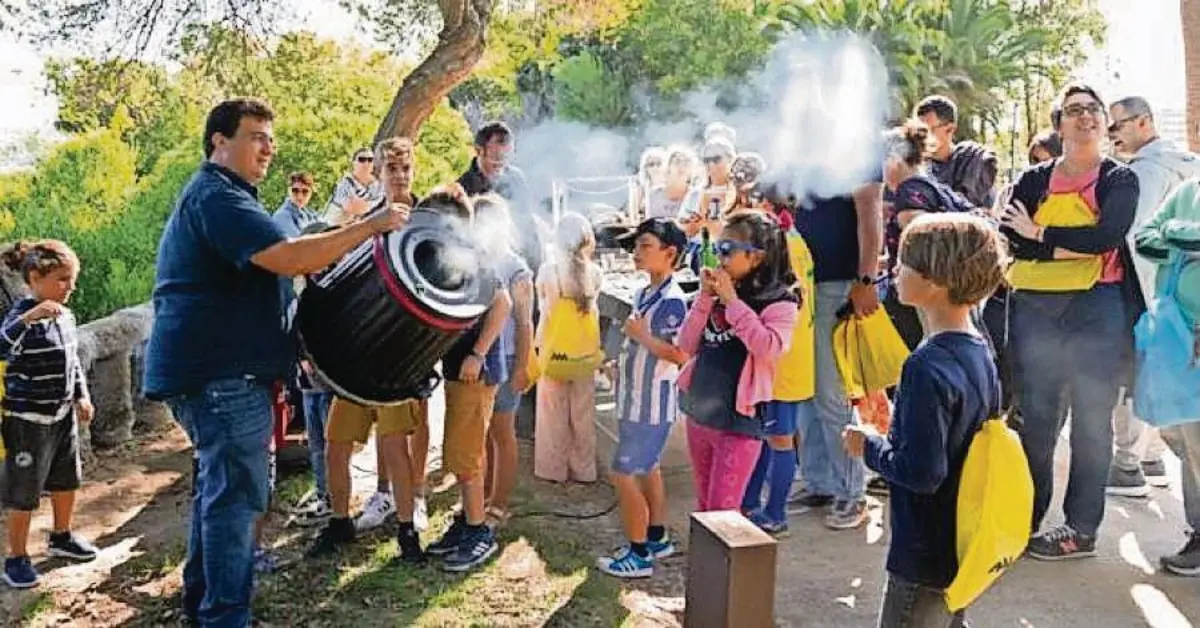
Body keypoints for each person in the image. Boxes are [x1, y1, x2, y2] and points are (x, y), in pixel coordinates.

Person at [143, 99, 407, 626]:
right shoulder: (218, 197)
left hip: (217, 374)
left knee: (220, 494)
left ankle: (206, 604)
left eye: (271, 138)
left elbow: (289, 252)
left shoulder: (229, 198)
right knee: (237, 499)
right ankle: (224, 616)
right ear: (220, 142)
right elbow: (291, 259)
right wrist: (371, 224)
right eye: (256, 136)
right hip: (221, 377)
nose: (269, 146)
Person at [999, 84, 1144, 560]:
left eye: (1093, 110)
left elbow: (1106, 237)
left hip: (1097, 310)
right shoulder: (1033, 179)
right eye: (1075, 110)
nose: (1086, 117)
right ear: (1059, 123)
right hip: (1036, 310)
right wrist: (1063, 244)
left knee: (1091, 423)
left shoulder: (1120, 180)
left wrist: (1040, 234)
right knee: (1035, 420)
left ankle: (1080, 529)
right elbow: (1009, 238)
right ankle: (1025, 517)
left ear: (1105, 122)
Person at [843, 213, 1006, 628]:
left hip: (922, 550)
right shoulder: (978, 348)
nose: (893, 270)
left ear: (935, 280)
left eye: (903, 262)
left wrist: (869, 445)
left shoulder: (924, 365)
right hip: (962, 536)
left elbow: (920, 472)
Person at [306, 138, 430, 563]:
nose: (398, 176)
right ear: (377, 173)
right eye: (390, 169)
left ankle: (407, 529)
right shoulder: (365, 222)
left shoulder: (424, 221)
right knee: (336, 443)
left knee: (396, 447)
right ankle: (340, 523)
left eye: (404, 169)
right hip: (357, 358)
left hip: (396, 361)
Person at [1106, 95, 1200, 497]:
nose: (1113, 136)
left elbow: (1141, 233)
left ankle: (1129, 461)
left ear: (1144, 122)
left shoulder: (1144, 173)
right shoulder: (1188, 176)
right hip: (1172, 312)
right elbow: (1149, 236)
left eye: (1117, 126)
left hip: (1166, 310)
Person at [677, 212, 799, 512]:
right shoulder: (717, 291)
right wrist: (704, 300)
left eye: (727, 250)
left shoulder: (780, 302)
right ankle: (703, 561)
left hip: (738, 423)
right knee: (704, 506)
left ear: (757, 258)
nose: (720, 257)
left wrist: (732, 303)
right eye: (718, 248)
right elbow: (685, 345)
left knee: (723, 512)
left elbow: (768, 348)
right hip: (700, 411)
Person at [790, 162, 884, 530]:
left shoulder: (856, 145)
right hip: (805, 284)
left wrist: (866, 278)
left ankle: (852, 492)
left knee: (832, 394)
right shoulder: (805, 145)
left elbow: (870, 214)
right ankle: (820, 483)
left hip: (838, 284)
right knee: (807, 390)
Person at [424, 187, 514, 573]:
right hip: (461, 373)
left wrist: (478, 353)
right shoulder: (452, 253)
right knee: (462, 452)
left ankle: (479, 533)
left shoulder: (472, 254)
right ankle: (467, 521)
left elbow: (503, 302)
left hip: (476, 373)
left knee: (467, 455)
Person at [595, 218, 689, 578]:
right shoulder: (644, 291)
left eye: (645, 246)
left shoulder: (672, 301)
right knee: (648, 468)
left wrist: (642, 337)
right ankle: (655, 536)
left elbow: (679, 354)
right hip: (634, 398)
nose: (636, 252)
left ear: (670, 254)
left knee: (622, 472)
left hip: (651, 406)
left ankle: (638, 555)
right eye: (636, 246)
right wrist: (621, 361)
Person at [0, 240, 97, 589]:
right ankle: (16, 557)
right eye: (62, 280)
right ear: (35, 278)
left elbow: (72, 364)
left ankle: (61, 534)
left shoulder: (65, 316)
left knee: (66, 479)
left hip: (61, 417)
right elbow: (1, 345)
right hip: (27, 421)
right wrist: (28, 319)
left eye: (72, 280)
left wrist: (81, 397)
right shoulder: (21, 317)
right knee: (23, 491)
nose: (69, 288)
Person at [1134, 177, 1200, 574]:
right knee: (1184, 438)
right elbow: (1145, 239)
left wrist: (1176, 235)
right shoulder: (1188, 190)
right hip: (1180, 338)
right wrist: (1185, 238)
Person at [740, 194, 816, 535]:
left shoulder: (779, 244)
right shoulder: (797, 240)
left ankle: (775, 513)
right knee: (769, 436)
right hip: (794, 357)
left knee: (779, 439)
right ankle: (751, 503)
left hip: (781, 362)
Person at [269, 172, 336, 526]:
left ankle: (330, 498)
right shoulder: (306, 285)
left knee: (327, 442)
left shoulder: (320, 289)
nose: (299, 195)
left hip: (321, 376)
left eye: (304, 190)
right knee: (317, 441)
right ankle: (326, 494)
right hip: (310, 375)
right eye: (295, 189)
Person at [880, 120, 975, 350]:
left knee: (934, 350)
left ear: (893, 161)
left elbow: (921, 239)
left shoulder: (908, 192)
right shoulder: (934, 188)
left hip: (929, 295)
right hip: (953, 291)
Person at [476, 194, 535, 527]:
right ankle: (481, 495)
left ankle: (499, 504)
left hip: (509, 356)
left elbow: (526, 321)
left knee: (502, 432)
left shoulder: (516, 268)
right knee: (482, 434)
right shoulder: (476, 259)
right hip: (482, 360)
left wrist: (521, 366)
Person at [533, 212, 602, 484]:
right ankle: (584, 470)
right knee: (583, 416)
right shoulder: (595, 273)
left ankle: (552, 469)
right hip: (584, 355)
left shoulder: (548, 272)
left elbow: (544, 312)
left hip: (555, 352)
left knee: (552, 414)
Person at [914, 95, 998, 208]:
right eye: (917, 130)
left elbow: (967, 204)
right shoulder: (915, 166)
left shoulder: (972, 157)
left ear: (950, 129)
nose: (920, 137)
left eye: (927, 130)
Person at [324, 147, 385, 225]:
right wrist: (372, 205)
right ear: (353, 162)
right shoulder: (345, 184)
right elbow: (353, 208)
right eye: (362, 160)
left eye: (370, 160)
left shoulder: (379, 186)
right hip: (330, 228)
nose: (366, 163)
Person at [644, 145, 697, 220]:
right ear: (668, 167)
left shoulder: (696, 196)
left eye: (686, 163)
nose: (681, 166)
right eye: (677, 162)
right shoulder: (654, 195)